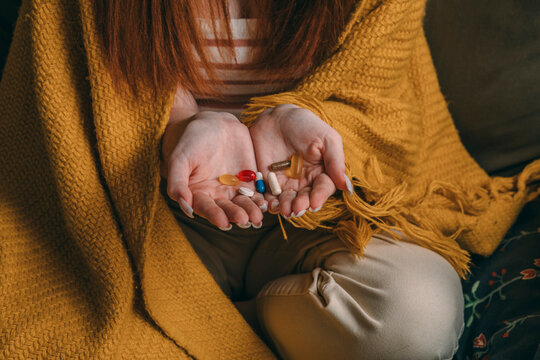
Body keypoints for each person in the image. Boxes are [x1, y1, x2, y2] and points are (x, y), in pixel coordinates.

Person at [2, 0, 538, 359]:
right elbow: (57, 108)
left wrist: (299, 118)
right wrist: (186, 126)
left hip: (319, 212)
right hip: (148, 226)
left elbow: (384, 106)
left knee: (415, 317)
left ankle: (200, 324)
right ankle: (196, 315)